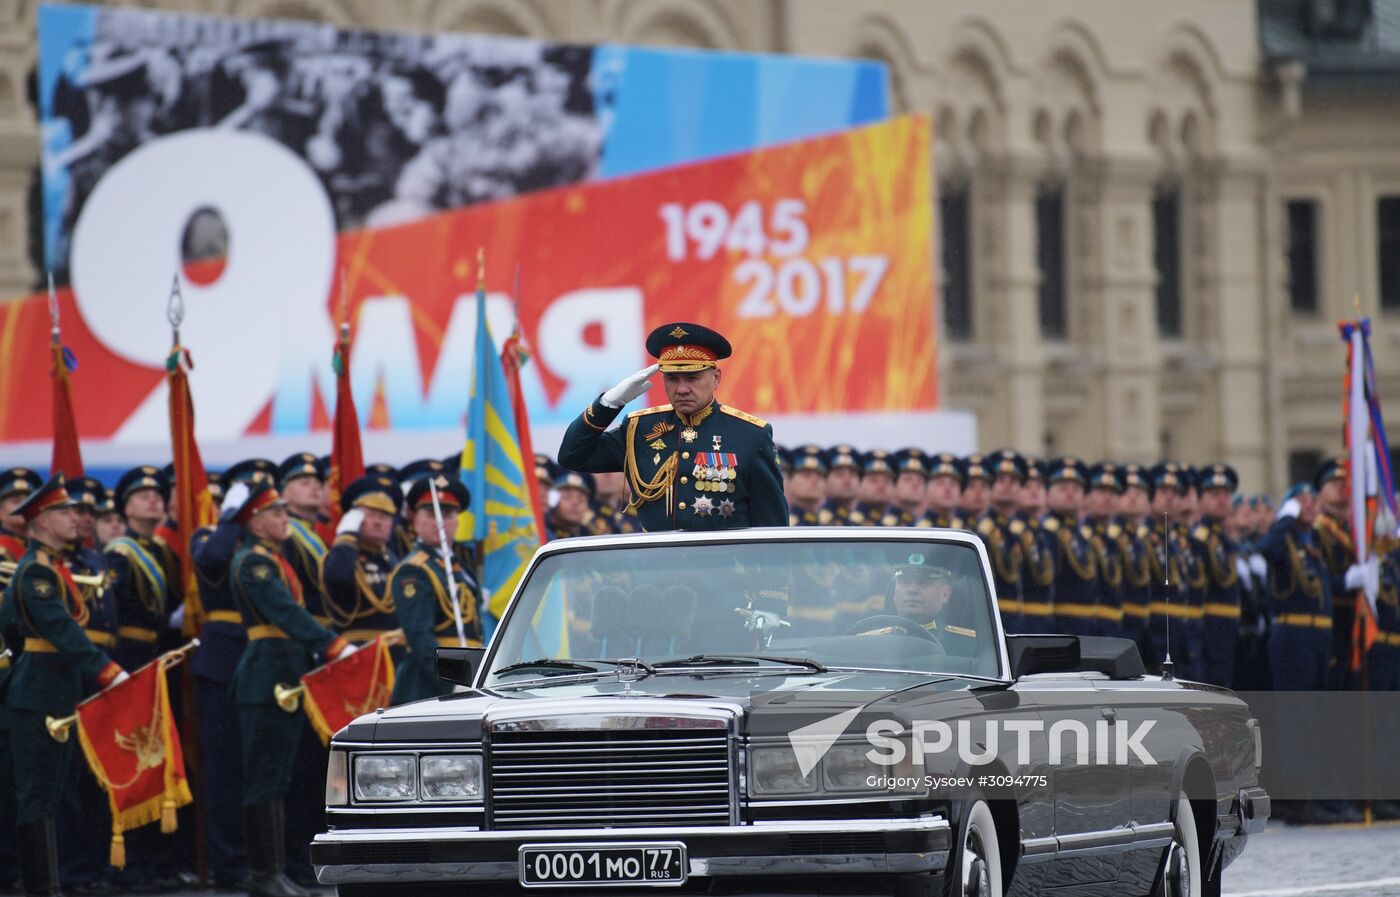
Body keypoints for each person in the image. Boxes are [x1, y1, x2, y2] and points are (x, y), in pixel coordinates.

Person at [3, 476, 126, 897]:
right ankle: (42, 887)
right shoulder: (36, 570)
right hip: (39, 690)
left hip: (56, 687)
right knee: (37, 797)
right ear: (39, 521)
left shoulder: (53, 566)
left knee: (50, 795)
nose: (74, 518)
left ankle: (50, 884)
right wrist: (107, 671)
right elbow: (61, 629)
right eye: (62, 511)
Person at [229, 481, 352, 897]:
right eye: (277, 513)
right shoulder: (254, 563)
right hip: (266, 676)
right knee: (264, 778)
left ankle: (275, 871)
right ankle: (265, 873)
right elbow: (284, 612)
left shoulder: (274, 561)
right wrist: (331, 644)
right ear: (256, 521)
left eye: (285, 511)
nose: (286, 519)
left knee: (277, 778)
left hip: (284, 673)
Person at [557, 322, 787, 531]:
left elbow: (772, 523)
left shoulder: (750, 434)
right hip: (659, 570)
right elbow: (572, 456)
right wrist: (608, 403)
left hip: (724, 570)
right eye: (672, 379)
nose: (682, 389)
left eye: (692, 377)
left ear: (716, 378)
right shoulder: (639, 429)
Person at [55, 477, 118, 894]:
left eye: (88, 514)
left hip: (106, 672)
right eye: (74, 512)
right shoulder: (50, 562)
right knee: (69, 778)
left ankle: (96, 865)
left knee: (102, 776)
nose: (83, 520)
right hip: (69, 672)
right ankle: (71, 869)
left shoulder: (94, 561)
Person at [388, 475, 483, 705]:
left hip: (469, 677)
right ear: (416, 522)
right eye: (431, 515)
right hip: (430, 686)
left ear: (457, 522)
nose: (440, 522)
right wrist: (451, 678)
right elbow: (420, 636)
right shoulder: (413, 570)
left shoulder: (462, 568)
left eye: (448, 515)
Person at [847, 553, 978, 657]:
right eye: (904, 581)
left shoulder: (971, 647)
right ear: (894, 591)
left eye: (924, 582)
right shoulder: (866, 645)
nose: (912, 589)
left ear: (945, 593)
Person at [321, 475, 402, 643]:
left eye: (385, 516)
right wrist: (347, 536)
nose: (378, 522)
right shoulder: (343, 556)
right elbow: (339, 578)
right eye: (371, 514)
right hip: (362, 649)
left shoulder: (393, 560)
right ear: (354, 518)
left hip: (398, 651)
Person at [1194, 464, 1244, 688]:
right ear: (1200, 500)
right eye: (1214, 495)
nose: (1223, 500)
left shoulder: (1223, 541)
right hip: (1210, 628)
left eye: (1226, 494)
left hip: (1227, 629)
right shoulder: (1199, 539)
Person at [1043, 458, 1099, 636]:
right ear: (1048, 493)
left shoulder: (1084, 535)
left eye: (1075, 489)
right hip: (1058, 628)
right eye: (1062, 488)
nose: (1070, 494)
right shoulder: (1046, 533)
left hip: (1087, 627)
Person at [978, 450, 1026, 631]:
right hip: (995, 621)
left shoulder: (1017, 531)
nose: (1006, 486)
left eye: (1013, 481)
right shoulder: (982, 530)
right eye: (1000, 480)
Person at [1084, 463, 1125, 637]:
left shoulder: (1115, 541)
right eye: (1101, 491)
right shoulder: (1082, 538)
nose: (1108, 498)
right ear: (1087, 496)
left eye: (1114, 492)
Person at [880, 449, 930, 527]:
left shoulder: (925, 525)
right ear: (893, 484)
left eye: (920, 480)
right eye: (908, 479)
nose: (915, 484)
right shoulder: (880, 525)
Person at [822, 445, 865, 525]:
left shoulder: (863, 522)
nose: (847, 480)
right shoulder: (817, 523)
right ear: (825, 480)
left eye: (853, 474)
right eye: (839, 475)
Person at [787, 445, 829, 525]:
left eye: (820, 475)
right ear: (790, 481)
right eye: (806, 475)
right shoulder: (784, 526)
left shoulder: (834, 526)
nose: (814, 480)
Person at [545, 472, 593, 541]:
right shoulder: (543, 535)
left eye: (581, 500)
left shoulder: (592, 537)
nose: (575, 502)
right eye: (567, 497)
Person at [923, 452, 964, 529]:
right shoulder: (918, 531)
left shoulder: (969, 531)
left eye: (953, 483)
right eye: (940, 483)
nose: (948, 488)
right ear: (927, 490)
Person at [855, 450, 896, 522]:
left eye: (886, 481)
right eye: (873, 480)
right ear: (859, 483)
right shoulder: (848, 524)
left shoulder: (902, 524)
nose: (881, 486)